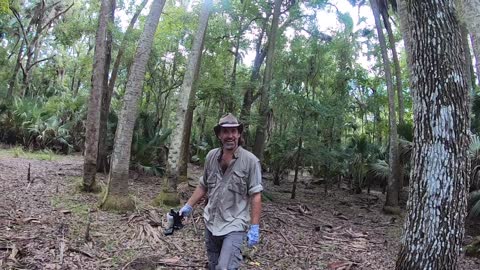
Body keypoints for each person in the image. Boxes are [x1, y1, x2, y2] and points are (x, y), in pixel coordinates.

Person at [180, 113, 263, 270]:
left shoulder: (250, 161)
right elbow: (203, 185)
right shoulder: (211, 156)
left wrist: (254, 226)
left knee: (224, 267)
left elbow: (256, 195)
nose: (230, 136)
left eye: (233, 131)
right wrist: (188, 206)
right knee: (213, 265)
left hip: (235, 224)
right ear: (219, 135)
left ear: (239, 134)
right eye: (225, 131)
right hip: (211, 222)